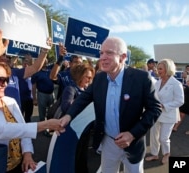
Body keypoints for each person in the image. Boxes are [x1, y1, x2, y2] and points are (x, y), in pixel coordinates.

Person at [58, 36, 162, 173]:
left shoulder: (141, 78)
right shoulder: (99, 78)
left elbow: (155, 109)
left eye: (109, 53)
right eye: (101, 53)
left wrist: (132, 134)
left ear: (123, 57)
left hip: (133, 144)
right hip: (108, 142)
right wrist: (68, 116)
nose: (103, 57)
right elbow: (84, 98)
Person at [145, 59, 184, 164]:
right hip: (156, 114)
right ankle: (154, 154)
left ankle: (167, 154)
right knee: (153, 135)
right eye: (158, 68)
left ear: (168, 69)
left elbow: (180, 101)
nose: (158, 70)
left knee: (163, 138)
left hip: (169, 114)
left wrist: (164, 105)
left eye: (160, 68)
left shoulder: (176, 84)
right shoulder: (157, 82)